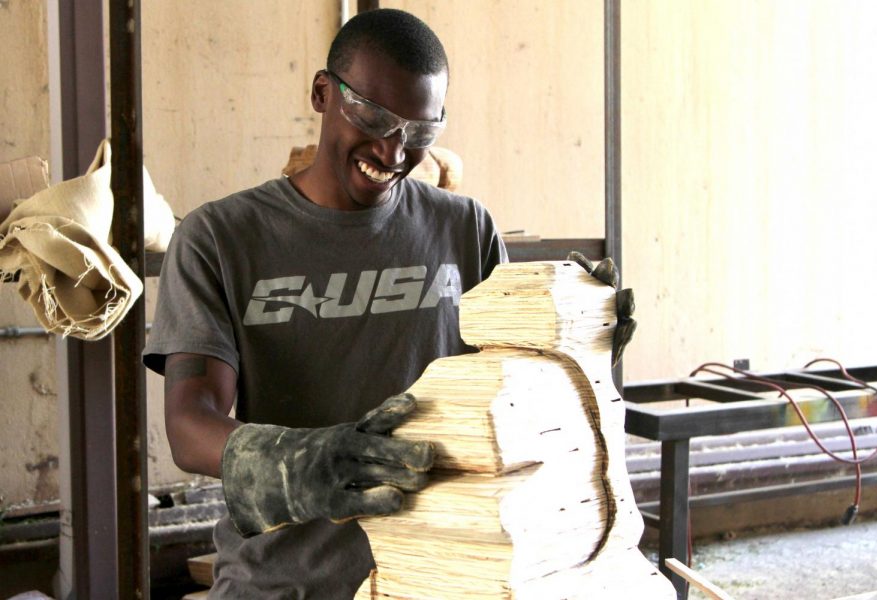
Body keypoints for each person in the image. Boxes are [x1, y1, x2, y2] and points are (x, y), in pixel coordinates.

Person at [144, 8, 633, 598]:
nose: (392, 149)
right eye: (372, 116)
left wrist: (583, 335)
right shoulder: (221, 239)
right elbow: (190, 425)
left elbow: (514, 386)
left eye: (420, 133)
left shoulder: (464, 229)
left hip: (443, 575)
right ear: (323, 93)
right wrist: (300, 460)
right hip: (287, 582)